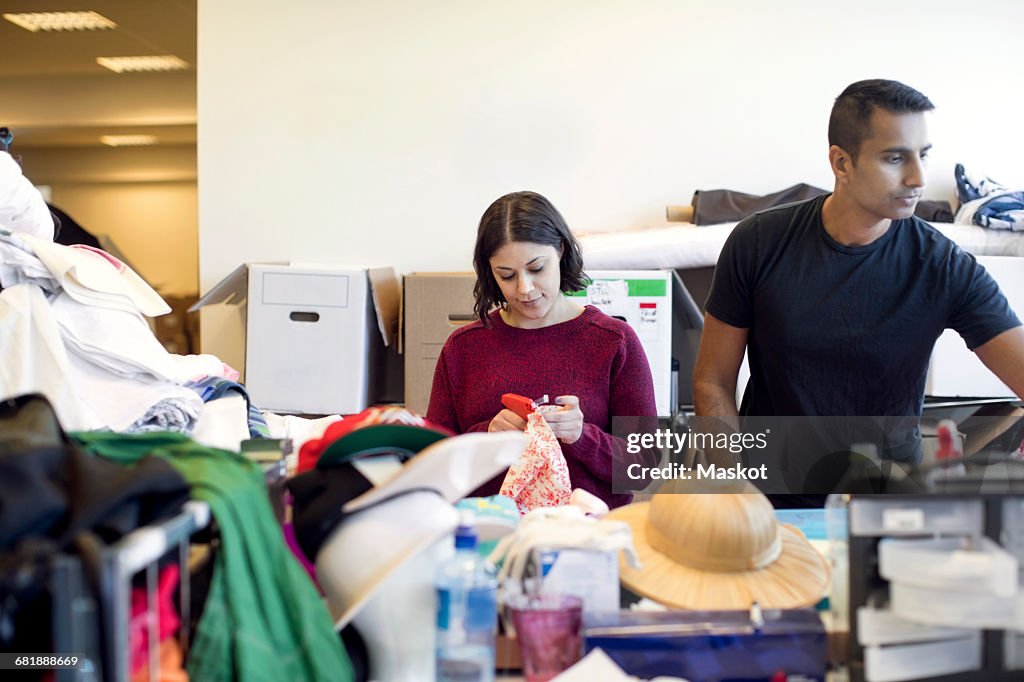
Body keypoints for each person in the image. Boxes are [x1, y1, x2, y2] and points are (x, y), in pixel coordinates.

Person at [692, 79, 1024, 495]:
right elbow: (713, 380)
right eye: (895, 158)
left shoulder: (944, 265)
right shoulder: (758, 242)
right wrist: (733, 485)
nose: (917, 178)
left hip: (889, 499)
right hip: (771, 494)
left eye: (923, 155)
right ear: (842, 163)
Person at [426, 190, 659, 508]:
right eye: (506, 276)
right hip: (489, 537)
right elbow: (431, 464)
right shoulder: (464, 349)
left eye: (537, 269)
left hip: (586, 538)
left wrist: (581, 435)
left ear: (561, 250)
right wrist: (486, 437)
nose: (525, 289)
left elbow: (642, 467)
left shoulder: (613, 341)